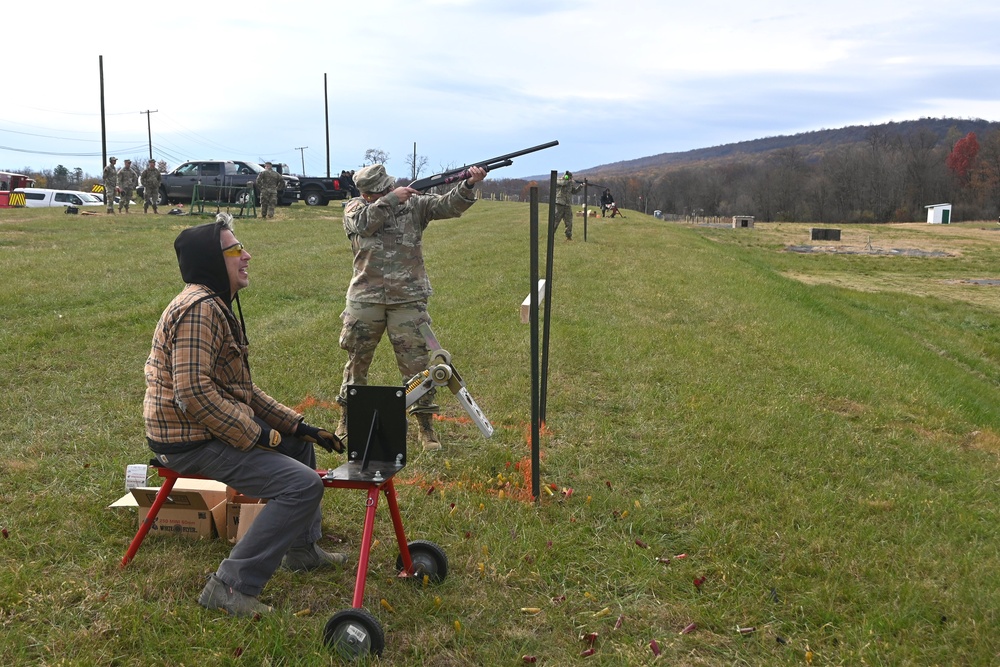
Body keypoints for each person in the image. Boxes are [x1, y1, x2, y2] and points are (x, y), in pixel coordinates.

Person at [143, 212, 346, 617]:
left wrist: (298, 426)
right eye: (236, 249)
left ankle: (301, 551)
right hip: (187, 441)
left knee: (299, 449)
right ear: (212, 261)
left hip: (200, 429)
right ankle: (229, 586)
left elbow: (242, 390)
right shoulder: (200, 311)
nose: (247, 255)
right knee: (302, 486)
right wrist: (254, 434)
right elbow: (194, 393)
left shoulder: (215, 304)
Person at [337, 163, 487, 451]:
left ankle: (425, 427)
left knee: (416, 365)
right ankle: (347, 418)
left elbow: (448, 206)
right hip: (365, 299)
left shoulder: (414, 205)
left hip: (408, 298)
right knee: (357, 363)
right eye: (382, 190)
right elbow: (366, 223)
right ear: (369, 193)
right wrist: (392, 199)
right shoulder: (354, 209)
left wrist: (468, 185)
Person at [554, 170, 582, 240]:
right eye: (569, 177)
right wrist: (570, 181)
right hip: (560, 203)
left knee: (569, 221)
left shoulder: (570, 183)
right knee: (556, 220)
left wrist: (580, 186)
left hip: (567, 204)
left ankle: (568, 236)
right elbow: (564, 183)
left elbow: (574, 191)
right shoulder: (559, 181)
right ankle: (551, 234)